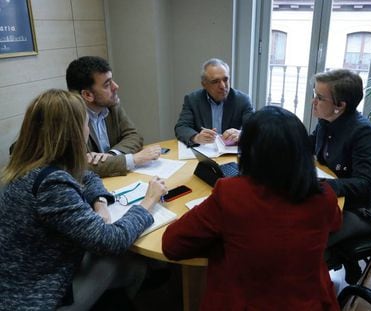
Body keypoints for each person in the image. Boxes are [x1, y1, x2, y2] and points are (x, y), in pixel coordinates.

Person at [0, 89, 167, 310]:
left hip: (17, 277)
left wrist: (100, 202)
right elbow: (112, 240)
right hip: (34, 295)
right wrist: (149, 201)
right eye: (85, 124)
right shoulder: (51, 184)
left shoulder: (25, 166)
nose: (87, 130)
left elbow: (87, 175)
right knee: (124, 265)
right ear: (72, 133)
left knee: (129, 267)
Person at [163, 106, 342, 310]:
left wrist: (224, 241)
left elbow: (172, 244)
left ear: (249, 151)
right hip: (307, 301)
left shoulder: (232, 193)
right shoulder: (324, 195)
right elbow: (334, 224)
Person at [310, 69, 371, 283]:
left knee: (306, 238)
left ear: (340, 105)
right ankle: (344, 261)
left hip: (362, 209)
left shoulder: (363, 134)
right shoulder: (327, 120)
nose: (313, 101)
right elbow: (310, 143)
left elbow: (365, 184)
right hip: (337, 199)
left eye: (320, 97)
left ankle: (318, 277)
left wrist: (324, 185)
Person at [66, 56, 161, 178]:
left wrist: (112, 154)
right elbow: (79, 166)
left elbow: (134, 135)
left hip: (113, 180)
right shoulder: (68, 117)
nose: (116, 86)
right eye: (107, 84)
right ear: (88, 95)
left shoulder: (112, 106)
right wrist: (133, 159)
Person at [174, 58, 254, 146]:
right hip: (204, 152)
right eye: (215, 82)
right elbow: (181, 127)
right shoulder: (193, 100)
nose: (223, 86)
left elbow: (255, 129)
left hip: (230, 154)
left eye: (225, 79)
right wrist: (196, 137)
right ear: (204, 84)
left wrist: (241, 134)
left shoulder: (242, 100)